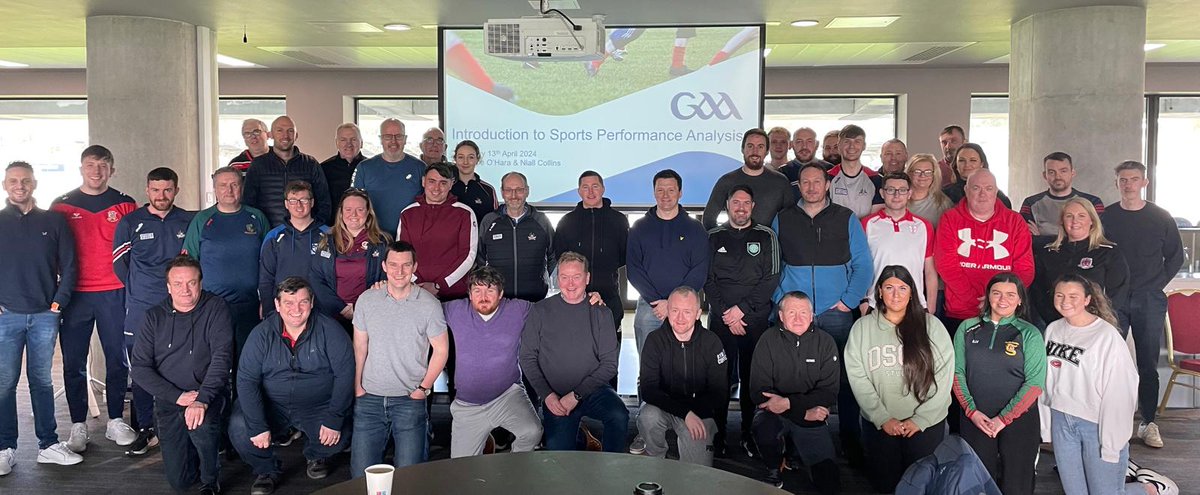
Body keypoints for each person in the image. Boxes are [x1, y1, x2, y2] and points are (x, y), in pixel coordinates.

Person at [772, 162, 873, 463]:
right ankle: (790, 439)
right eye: (806, 182)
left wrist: (849, 301)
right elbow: (773, 264)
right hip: (795, 315)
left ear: (827, 185)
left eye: (818, 182)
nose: (812, 187)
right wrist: (782, 300)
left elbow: (863, 264)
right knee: (793, 377)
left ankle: (849, 439)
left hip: (835, 312)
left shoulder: (845, 218)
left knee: (842, 377)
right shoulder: (783, 219)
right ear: (798, 186)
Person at [1042, 274, 1175, 495]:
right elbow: (1047, 381)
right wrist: (1046, 427)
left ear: (1087, 300)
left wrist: (1112, 444)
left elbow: (1121, 392)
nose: (1066, 301)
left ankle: (1151, 489)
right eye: (1060, 295)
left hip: (1096, 424)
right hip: (1061, 421)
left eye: (1074, 296)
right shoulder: (1053, 330)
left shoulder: (1106, 337)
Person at [228, 277, 354, 495]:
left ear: (312, 302)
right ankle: (266, 470)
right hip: (272, 405)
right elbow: (246, 380)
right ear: (277, 305)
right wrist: (257, 425)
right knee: (239, 426)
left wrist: (334, 417)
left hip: (317, 406)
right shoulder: (261, 334)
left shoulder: (330, 330)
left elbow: (346, 375)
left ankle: (316, 454)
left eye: (303, 302)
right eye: (288, 303)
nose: (296, 309)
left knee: (343, 430)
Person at [51, 144, 139, 451]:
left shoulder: (126, 204)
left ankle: (115, 419)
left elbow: (135, 252)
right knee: (73, 362)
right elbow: (51, 254)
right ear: (81, 169)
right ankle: (78, 425)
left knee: (118, 358)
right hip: (75, 295)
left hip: (114, 292)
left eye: (103, 166)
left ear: (112, 170)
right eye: (90, 165)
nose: (96, 171)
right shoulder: (62, 206)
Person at [0, 161, 81, 474]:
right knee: (5, 384)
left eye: (25, 181)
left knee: (42, 382)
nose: (19, 186)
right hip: (7, 317)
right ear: (5, 185)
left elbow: (71, 265)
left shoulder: (53, 221)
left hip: (45, 316)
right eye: (13, 181)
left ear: (34, 183)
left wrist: (58, 303)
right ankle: (6, 448)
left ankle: (48, 445)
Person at [845, 265, 954, 493]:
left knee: (922, 484)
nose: (896, 294)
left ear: (912, 292)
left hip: (925, 425)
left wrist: (921, 419)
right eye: (889, 288)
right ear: (879, 292)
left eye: (903, 288)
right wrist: (882, 417)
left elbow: (944, 377)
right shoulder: (862, 328)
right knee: (885, 483)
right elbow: (858, 377)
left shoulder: (932, 326)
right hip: (881, 425)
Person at [129, 256, 232, 494]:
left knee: (201, 425)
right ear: (168, 287)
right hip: (170, 400)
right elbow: (140, 369)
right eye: (178, 284)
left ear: (201, 283)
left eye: (191, 282)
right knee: (181, 481)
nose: (185, 290)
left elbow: (221, 360)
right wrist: (178, 397)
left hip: (208, 394)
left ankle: (210, 478)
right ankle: (200, 447)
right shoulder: (153, 317)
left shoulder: (216, 308)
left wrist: (201, 400)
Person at [1100, 160, 1184, 449]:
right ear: (1117, 183)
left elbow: (1175, 257)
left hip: (1149, 298)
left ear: (1144, 183)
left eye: (1134, 179)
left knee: (1147, 363)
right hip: (1115, 299)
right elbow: (1100, 253)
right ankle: (1110, 421)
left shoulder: (1161, 217)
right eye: (1123, 179)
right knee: (1110, 362)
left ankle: (1148, 422)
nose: (1128, 184)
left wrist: (1154, 284)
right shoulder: (1107, 216)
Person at [113, 167, 196, 455]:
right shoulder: (130, 222)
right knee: (142, 370)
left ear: (176, 190)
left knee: (180, 365)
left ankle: (179, 425)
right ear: (147, 190)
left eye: (168, 189)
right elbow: (119, 265)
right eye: (156, 190)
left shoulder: (189, 220)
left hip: (180, 309)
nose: (162, 196)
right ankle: (145, 429)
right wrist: (141, 290)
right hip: (140, 311)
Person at [350, 241, 449, 474]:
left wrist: (422, 389)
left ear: (415, 267)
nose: (399, 271)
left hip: (409, 399)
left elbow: (442, 350)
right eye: (393, 265)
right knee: (361, 475)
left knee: (409, 475)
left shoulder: (429, 304)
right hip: (370, 399)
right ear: (384, 266)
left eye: (406, 265)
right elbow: (360, 346)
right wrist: (358, 387)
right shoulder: (366, 300)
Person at [520, 252, 627, 452]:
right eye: (564, 277)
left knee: (619, 415)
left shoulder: (601, 312)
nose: (570, 284)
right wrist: (547, 396)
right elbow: (527, 357)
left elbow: (610, 364)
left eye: (576, 277)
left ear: (587, 278)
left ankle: (614, 467)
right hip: (555, 396)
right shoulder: (540, 311)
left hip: (593, 391)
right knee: (559, 457)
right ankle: (581, 438)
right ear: (557, 278)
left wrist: (576, 395)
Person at [952, 273, 1045, 495]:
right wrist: (971, 411)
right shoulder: (967, 328)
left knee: (1017, 483)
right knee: (977, 481)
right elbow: (956, 373)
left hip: (1019, 419)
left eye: (1011, 294)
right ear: (988, 296)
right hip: (976, 418)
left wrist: (1003, 419)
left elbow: (1034, 384)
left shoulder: (1029, 333)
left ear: (1020, 299)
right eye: (997, 293)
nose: (1003, 299)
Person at [704, 185, 780, 457]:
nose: (740, 207)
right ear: (727, 205)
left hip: (755, 321)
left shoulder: (766, 236)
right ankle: (719, 435)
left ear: (753, 206)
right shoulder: (713, 236)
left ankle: (750, 434)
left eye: (746, 203)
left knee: (753, 380)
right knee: (718, 380)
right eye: (735, 202)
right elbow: (707, 280)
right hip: (721, 321)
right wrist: (727, 312)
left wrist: (742, 311)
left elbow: (771, 278)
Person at [444, 266, 542, 458]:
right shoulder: (455, 310)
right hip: (467, 405)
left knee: (532, 432)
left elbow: (552, 310)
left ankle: (511, 470)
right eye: (477, 290)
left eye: (490, 290)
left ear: (500, 294)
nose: (484, 296)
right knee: (459, 469)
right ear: (470, 294)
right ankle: (483, 438)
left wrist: (590, 298)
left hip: (507, 395)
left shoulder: (517, 309)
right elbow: (421, 307)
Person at [748, 291, 840, 492]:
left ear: (812, 314)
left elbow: (829, 393)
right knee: (763, 427)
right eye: (791, 312)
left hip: (809, 414)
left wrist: (788, 404)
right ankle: (773, 468)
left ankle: (793, 453)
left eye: (803, 313)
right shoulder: (767, 340)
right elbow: (758, 393)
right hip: (779, 414)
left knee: (829, 482)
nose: (798, 318)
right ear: (781, 316)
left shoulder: (825, 343)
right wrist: (802, 411)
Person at [183, 167, 270, 356]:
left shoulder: (257, 217)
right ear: (215, 189)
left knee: (247, 359)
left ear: (242, 187)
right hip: (212, 306)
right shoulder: (202, 220)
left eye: (234, 185)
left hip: (250, 305)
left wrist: (267, 298)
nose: (229, 190)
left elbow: (269, 262)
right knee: (216, 359)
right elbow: (188, 264)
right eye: (223, 185)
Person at [935, 169, 1033, 334]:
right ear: (966, 190)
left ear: (996, 191)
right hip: (961, 312)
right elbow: (947, 266)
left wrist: (997, 299)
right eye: (976, 188)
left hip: (1004, 313)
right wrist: (975, 299)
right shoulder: (950, 219)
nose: (983, 194)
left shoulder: (1015, 221)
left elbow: (1024, 269)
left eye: (988, 188)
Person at [637, 287, 727, 466]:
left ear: (697, 313)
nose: (679, 318)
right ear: (667, 310)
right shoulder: (655, 340)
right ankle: (656, 456)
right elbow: (648, 390)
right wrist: (684, 413)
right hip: (665, 408)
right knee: (647, 416)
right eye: (675, 311)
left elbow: (719, 394)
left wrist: (692, 414)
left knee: (697, 474)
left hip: (699, 412)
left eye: (687, 312)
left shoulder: (712, 342)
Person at [552, 171, 629, 373]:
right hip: (575, 299)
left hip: (609, 296)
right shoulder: (567, 221)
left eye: (595, 186)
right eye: (585, 187)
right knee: (576, 354)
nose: (590, 191)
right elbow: (561, 258)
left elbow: (624, 255)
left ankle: (608, 396)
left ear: (603, 189)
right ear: (578, 191)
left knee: (609, 354)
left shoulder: (619, 220)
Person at [627, 169, 709, 357]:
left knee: (686, 362)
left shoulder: (695, 228)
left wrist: (673, 303)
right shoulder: (639, 227)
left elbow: (700, 268)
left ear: (680, 193)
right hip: (650, 306)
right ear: (654, 192)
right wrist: (658, 302)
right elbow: (634, 269)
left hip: (685, 307)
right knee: (648, 364)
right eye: (660, 190)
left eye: (671, 190)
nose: (665, 195)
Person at [1032, 198, 1129, 327]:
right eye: (1069, 216)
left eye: (1081, 216)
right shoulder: (1048, 252)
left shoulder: (1108, 252)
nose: (1075, 221)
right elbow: (1038, 291)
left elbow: (1118, 292)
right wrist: (1053, 319)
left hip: (1094, 324)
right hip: (1054, 323)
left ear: (1092, 221)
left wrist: (1097, 320)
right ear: (1062, 221)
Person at [397, 161, 478, 302]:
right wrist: (418, 283)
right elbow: (402, 254)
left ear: (451, 184)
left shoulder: (464, 213)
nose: (437, 188)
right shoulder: (408, 213)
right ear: (423, 182)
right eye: (432, 181)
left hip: (453, 294)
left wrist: (440, 285)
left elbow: (468, 255)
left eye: (443, 183)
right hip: (415, 291)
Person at [312, 189, 390, 330]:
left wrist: (360, 309)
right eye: (348, 209)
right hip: (331, 317)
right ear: (341, 213)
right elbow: (316, 279)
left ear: (368, 213)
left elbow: (386, 278)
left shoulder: (382, 242)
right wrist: (342, 308)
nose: (353, 215)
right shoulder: (326, 241)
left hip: (370, 317)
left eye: (360, 209)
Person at [862, 172, 937, 314]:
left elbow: (930, 271)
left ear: (909, 194)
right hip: (876, 304)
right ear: (882, 193)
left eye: (902, 190)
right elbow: (859, 266)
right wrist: (864, 301)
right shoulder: (868, 224)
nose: (896, 195)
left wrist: (930, 308)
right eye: (890, 190)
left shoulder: (924, 227)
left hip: (914, 304)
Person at [477, 172, 556, 302]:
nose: (514, 196)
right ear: (502, 192)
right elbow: (480, 257)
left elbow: (553, 256)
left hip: (535, 300)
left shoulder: (541, 220)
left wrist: (540, 280)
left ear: (527, 191)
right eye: (508, 190)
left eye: (519, 190)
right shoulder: (489, 221)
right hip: (499, 301)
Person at [243, 116, 332, 227]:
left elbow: (324, 203)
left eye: (290, 131)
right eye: (280, 130)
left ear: (296, 135)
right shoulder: (258, 165)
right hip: (268, 235)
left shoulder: (310, 164)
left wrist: (315, 229)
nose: (285, 135)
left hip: (304, 236)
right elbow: (248, 203)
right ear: (270, 135)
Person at [258, 181, 329, 318]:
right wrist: (269, 310)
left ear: (312, 202)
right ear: (286, 204)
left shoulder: (329, 235)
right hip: (285, 311)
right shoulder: (274, 237)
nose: (299, 205)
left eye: (304, 200)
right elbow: (266, 278)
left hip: (322, 310)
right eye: (293, 200)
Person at [701, 128, 793, 230]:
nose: (755, 151)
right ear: (742, 149)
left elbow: (791, 221)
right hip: (734, 243)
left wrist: (776, 243)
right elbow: (708, 219)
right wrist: (720, 240)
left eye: (760, 147)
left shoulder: (781, 182)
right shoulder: (727, 181)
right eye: (750, 146)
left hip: (769, 244)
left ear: (767, 151)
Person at [352, 118, 427, 238]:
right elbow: (354, 203)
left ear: (405, 139)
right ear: (380, 139)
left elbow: (427, 204)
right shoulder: (365, 168)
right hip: (373, 237)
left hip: (410, 236)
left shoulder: (420, 167)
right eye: (388, 136)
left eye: (398, 136)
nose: (393, 141)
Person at [1019, 151, 1106, 238]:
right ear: (1045, 175)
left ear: (1072, 173)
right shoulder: (1030, 203)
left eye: (1063, 171)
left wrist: (1041, 238)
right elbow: (1025, 238)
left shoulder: (1093, 202)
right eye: (1052, 172)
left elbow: (1098, 236)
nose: (1058, 177)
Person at [827, 124, 884, 218]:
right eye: (846, 141)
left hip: (864, 232)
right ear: (839, 145)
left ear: (864, 146)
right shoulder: (827, 178)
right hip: (834, 232)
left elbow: (874, 221)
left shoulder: (876, 180)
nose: (851, 146)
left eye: (857, 141)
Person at [941, 143, 1012, 208]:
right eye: (961, 160)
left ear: (982, 164)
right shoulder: (944, 194)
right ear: (956, 164)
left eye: (973, 160)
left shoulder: (999, 197)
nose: (967, 165)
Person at [319, 123, 366, 211]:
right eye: (343, 140)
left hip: (365, 222)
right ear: (337, 143)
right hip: (333, 223)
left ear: (362, 143)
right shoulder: (324, 169)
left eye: (354, 139)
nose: (349, 144)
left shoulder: (370, 168)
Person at [449, 140, 498, 223]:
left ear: (477, 159)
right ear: (455, 159)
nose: (465, 162)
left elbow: (495, 220)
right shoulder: (447, 187)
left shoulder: (488, 190)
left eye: (471, 157)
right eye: (461, 157)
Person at [905, 153, 954, 228]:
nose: (922, 176)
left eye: (928, 172)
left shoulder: (943, 203)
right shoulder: (898, 199)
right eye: (917, 172)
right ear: (909, 174)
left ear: (934, 175)